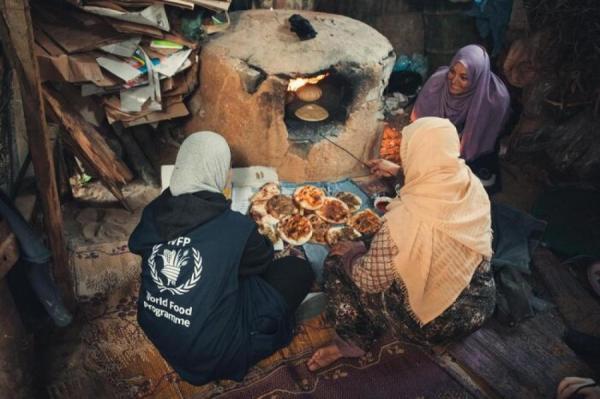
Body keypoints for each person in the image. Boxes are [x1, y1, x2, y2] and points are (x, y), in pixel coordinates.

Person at [307, 117, 496, 371]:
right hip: (478, 304)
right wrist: (398, 172)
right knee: (378, 245)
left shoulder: (401, 221)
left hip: (432, 323)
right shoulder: (470, 185)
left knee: (337, 262)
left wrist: (353, 254)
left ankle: (352, 341)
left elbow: (367, 280)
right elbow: (431, 187)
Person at [129, 131, 314, 385]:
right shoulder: (234, 226)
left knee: (225, 273)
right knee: (297, 270)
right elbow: (263, 260)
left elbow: (139, 244)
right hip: (214, 354)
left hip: (160, 330)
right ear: (218, 171)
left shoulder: (152, 212)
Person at [411, 44, 510, 187]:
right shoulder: (436, 85)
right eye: (452, 71)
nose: (453, 81)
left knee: (471, 187)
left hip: (475, 154)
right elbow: (419, 126)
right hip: (437, 148)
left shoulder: (494, 101)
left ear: (477, 78)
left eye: (464, 77)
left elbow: (486, 139)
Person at [0, 190, 72, 327]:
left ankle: (54, 318)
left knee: (31, 278)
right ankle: (51, 318)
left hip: (22, 249)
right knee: (32, 279)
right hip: (21, 248)